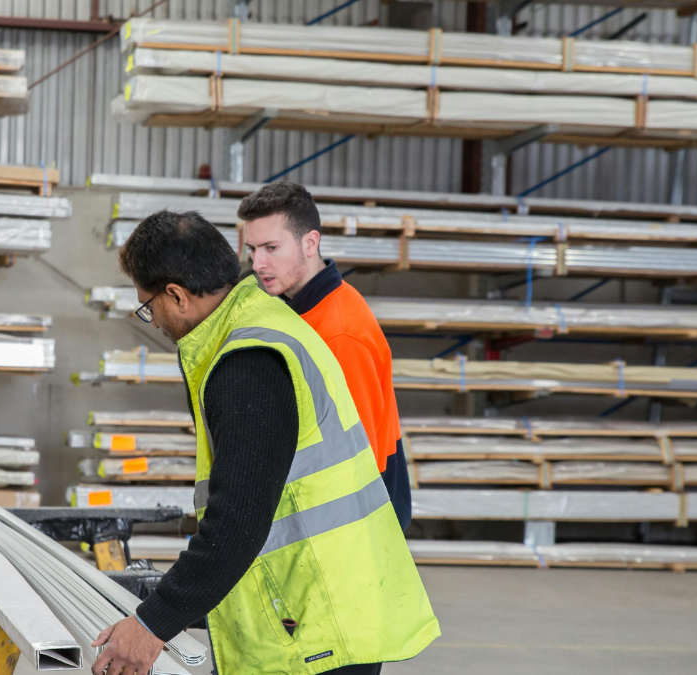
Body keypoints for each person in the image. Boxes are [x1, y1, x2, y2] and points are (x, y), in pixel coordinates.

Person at [91, 210, 438, 675]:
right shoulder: (266, 319)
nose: (151, 320)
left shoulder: (246, 362)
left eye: (147, 306)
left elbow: (237, 526)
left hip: (315, 624)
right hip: (321, 601)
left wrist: (151, 625)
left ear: (176, 295)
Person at [239, 181, 413, 530]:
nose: (258, 263)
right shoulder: (299, 308)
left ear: (310, 242)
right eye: (252, 249)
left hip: (356, 523)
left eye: (271, 247)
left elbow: (357, 460)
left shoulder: (340, 333)